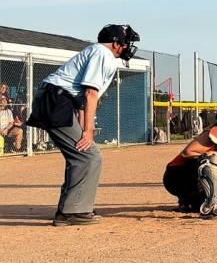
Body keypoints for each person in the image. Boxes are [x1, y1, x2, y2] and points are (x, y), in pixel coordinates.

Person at [25, 24, 139, 226]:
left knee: (81, 155)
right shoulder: (102, 53)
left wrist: (83, 126)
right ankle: (72, 211)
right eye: (125, 42)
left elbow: (80, 100)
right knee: (89, 155)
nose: (127, 46)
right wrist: (88, 131)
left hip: (55, 99)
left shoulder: (96, 52)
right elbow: (90, 94)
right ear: (115, 43)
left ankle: (71, 208)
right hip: (55, 100)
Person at [0, 83, 24, 152]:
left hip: (6, 131)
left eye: (5, 101)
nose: (4, 102)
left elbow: (11, 122)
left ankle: (17, 149)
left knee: (20, 131)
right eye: (2, 100)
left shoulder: (8, 111)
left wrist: (6, 129)